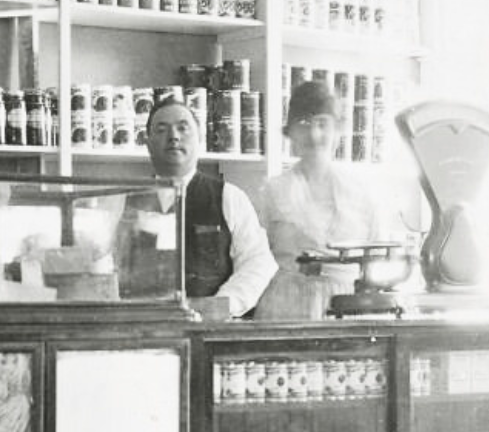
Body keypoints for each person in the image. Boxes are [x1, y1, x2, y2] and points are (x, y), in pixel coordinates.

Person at [118, 97, 276, 318]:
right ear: (147, 143)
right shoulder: (125, 200)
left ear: (200, 138)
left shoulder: (229, 197)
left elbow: (257, 262)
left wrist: (221, 306)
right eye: (162, 130)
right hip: (143, 328)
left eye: (183, 128)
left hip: (209, 334)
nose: (173, 136)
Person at [254, 81, 392, 320]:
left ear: (338, 130)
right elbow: (255, 260)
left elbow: (380, 257)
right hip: (286, 307)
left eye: (322, 124)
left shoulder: (364, 191)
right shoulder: (272, 192)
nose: (314, 135)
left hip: (348, 307)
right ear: (291, 132)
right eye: (304, 124)